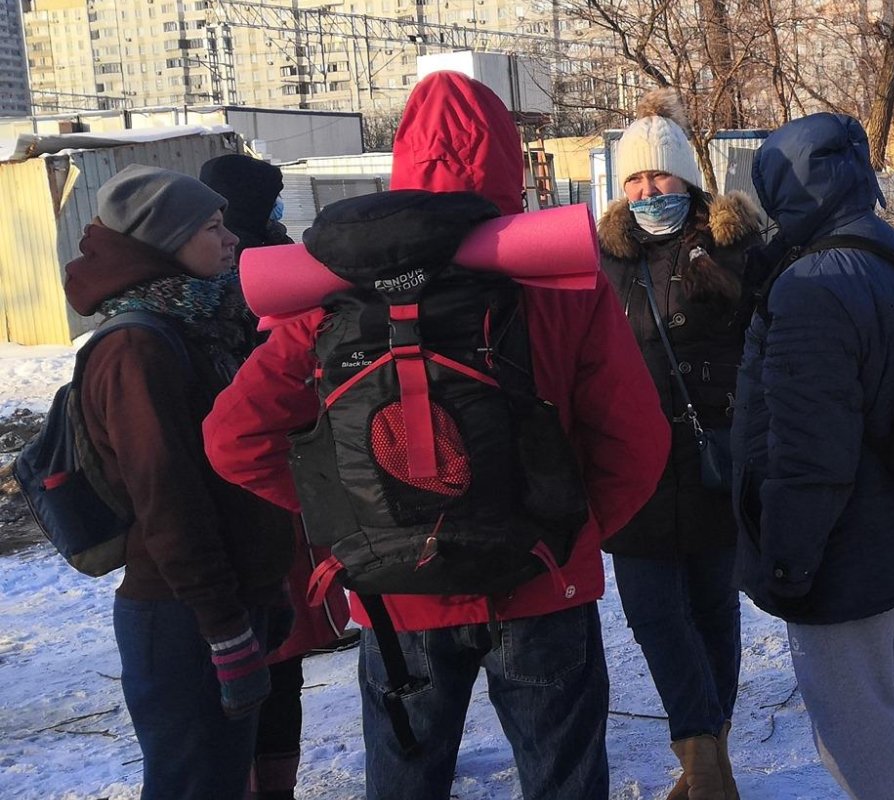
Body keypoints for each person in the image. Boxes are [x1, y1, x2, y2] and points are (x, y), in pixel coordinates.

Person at [205, 71, 670, 800]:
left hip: (396, 595)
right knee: (563, 781)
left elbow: (234, 436)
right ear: (509, 158)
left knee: (406, 782)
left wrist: (355, 514)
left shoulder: (329, 292)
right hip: (540, 580)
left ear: (402, 160)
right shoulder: (559, 282)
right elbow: (637, 442)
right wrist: (566, 527)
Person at [734, 112, 894, 800]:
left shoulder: (811, 286)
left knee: (859, 742)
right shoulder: (892, 252)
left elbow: (808, 452)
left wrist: (788, 563)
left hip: (841, 553)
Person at [64, 164, 294, 800]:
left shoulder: (203, 323)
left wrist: (265, 589)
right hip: (183, 616)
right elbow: (169, 503)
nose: (232, 238)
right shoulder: (136, 349)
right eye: (213, 227)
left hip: (223, 602)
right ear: (166, 240)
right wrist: (224, 628)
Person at [596, 89, 763, 800]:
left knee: (714, 611)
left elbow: (766, 347)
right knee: (653, 615)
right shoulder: (603, 258)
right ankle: (703, 758)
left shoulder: (735, 247)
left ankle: (705, 761)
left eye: (658, 175)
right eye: (633, 178)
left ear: (687, 178)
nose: (646, 190)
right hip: (632, 467)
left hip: (712, 462)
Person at [198, 152, 353, 800]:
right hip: (257, 480)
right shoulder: (243, 284)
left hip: (262, 479)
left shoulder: (269, 270)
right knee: (262, 659)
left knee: (272, 657)